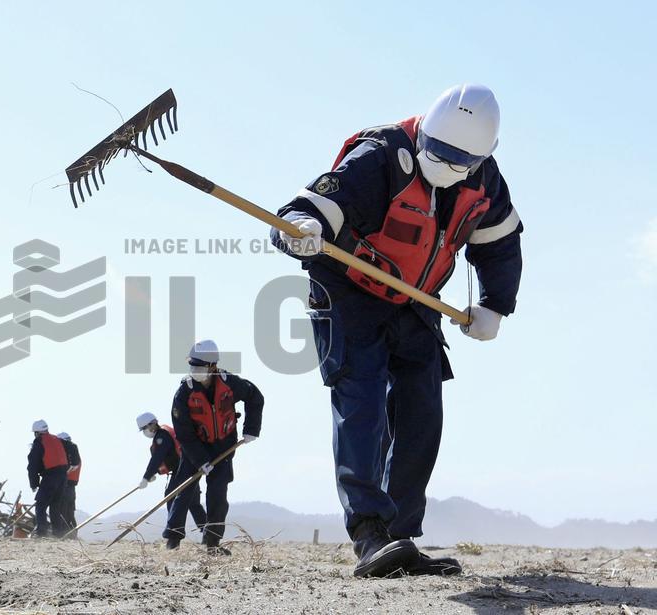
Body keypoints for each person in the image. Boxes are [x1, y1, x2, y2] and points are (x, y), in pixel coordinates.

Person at [272, 84, 522, 577]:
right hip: (350, 292)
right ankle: (369, 533)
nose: (443, 162)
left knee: (420, 414)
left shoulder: (486, 182)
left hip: (414, 300)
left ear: (481, 157)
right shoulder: (381, 155)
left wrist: (496, 304)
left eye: (458, 159)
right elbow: (311, 209)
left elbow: (499, 242)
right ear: (423, 129)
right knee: (362, 406)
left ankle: (400, 538)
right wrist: (299, 229)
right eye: (436, 149)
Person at [164, 340, 264, 555]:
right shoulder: (184, 393)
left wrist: (251, 429)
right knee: (184, 491)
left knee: (218, 495)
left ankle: (212, 543)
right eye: (192, 366)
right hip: (194, 448)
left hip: (223, 447)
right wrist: (200, 460)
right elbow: (183, 432)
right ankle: (173, 539)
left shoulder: (230, 383)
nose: (194, 371)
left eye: (199, 366)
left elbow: (255, 397)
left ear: (213, 367)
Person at [136, 412, 207, 534]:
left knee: (171, 498)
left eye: (144, 429)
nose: (145, 432)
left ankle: (174, 534)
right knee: (193, 503)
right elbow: (166, 457)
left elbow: (157, 457)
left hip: (181, 471)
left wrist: (146, 477)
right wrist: (154, 473)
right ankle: (208, 532)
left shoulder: (161, 437)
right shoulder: (164, 433)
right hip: (190, 469)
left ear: (152, 424)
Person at [26, 420, 69, 537]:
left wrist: (34, 484)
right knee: (55, 506)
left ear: (37, 432)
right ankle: (58, 533)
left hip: (51, 476)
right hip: (63, 476)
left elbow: (32, 465)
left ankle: (41, 533)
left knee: (40, 505)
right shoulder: (57, 440)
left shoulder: (39, 442)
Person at [56, 433, 81, 537]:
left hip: (65, 487)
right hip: (72, 488)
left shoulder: (68, 455)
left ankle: (64, 534)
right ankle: (72, 534)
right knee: (70, 512)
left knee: (62, 511)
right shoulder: (76, 454)